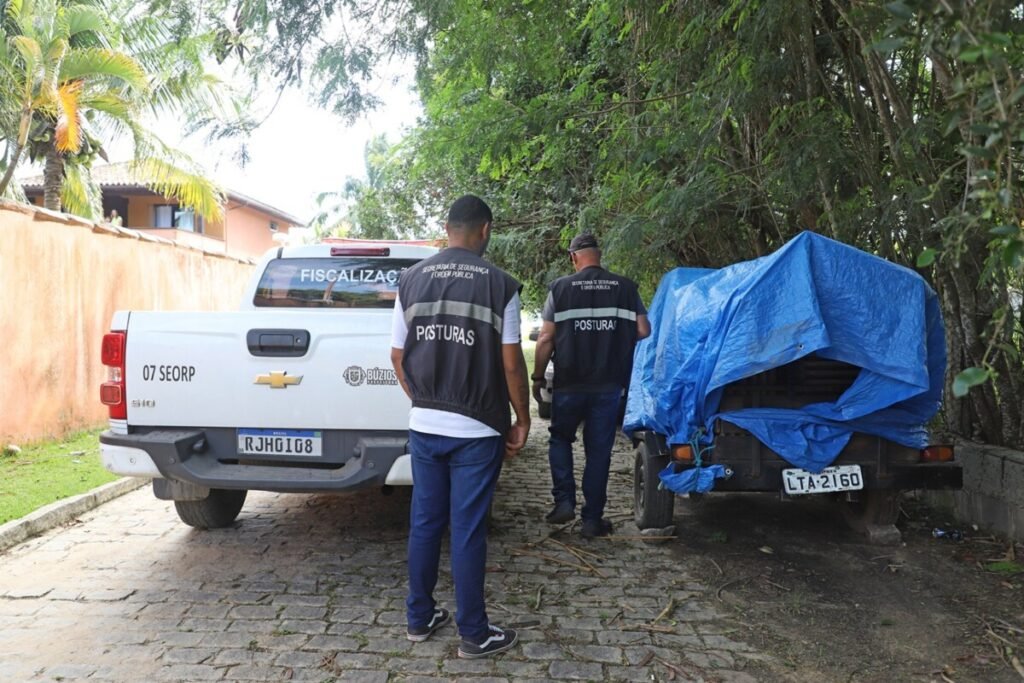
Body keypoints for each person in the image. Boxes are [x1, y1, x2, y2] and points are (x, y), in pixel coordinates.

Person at [390, 194, 530, 659]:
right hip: (477, 428)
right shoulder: (500, 285)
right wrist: (522, 418)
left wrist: (421, 400)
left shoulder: (410, 279)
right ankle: (474, 633)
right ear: (485, 230)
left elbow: (396, 355)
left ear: (447, 228)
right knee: (468, 529)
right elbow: (512, 365)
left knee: (425, 522)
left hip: (425, 425)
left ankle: (419, 618)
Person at [532, 233, 651, 538]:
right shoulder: (625, 288)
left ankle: (564, 502)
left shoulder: (560, 288)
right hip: (608, 384)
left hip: (570, 383)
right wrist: (613, 336)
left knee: (560, 439)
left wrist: (537, 376)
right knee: (599, 451)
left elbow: (545, 338)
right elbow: (643, 329)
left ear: (574, 257)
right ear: (600, 255)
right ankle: (591, 520)